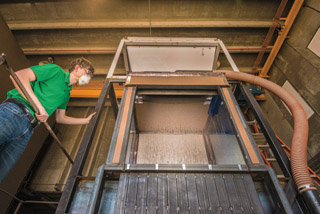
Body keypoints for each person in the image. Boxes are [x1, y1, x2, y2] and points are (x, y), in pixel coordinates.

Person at [0, 57, 96, 183]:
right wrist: (39, 107)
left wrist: (85, 121)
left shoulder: (66, 93)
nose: (88, 78)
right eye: (87, 73)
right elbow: (18, 76)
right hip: (15, 112)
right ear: (77, 68)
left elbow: (60, 118)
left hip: (28, 128)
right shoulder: (55, 71)